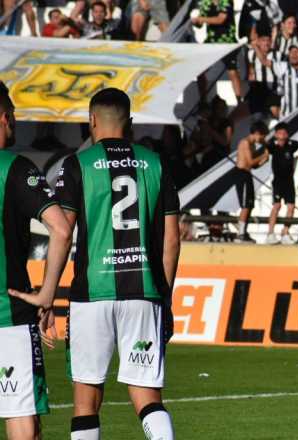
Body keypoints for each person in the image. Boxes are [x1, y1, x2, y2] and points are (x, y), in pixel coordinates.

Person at [53, 88, 180, 440]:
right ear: (131, 124)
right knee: (147, 396)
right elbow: (172, 239)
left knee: (86, 399)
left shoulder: (77, 164)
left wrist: (48, 294)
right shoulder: (154, 162)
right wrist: (164, 298)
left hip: (91, 295)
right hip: (144, 292)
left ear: (92, 121)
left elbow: (63, 232)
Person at [0, 82, 73, 440]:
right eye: (12, 115)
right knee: (21, 418)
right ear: (2, 117)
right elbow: (60, 229)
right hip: (7, 314)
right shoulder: (15, 168)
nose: (14, 123)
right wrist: (47, 294)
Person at [194, 0, 242, 102]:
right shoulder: (205, 3)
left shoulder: (226, 2)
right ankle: (203, 100)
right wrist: (196, 22)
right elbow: (200, 25)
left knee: (232, 72)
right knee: (200, 71)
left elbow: (221, 19)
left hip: (227, 42)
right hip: (211, 41)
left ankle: (239, 100)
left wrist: (201, 19)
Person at [265, 123, 298, 244]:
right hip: (278, 181)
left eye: (285, 133)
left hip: (289, 181)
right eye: (280, 133)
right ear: (276, 134)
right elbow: (263, 146)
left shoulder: (291, 145)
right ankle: (270, 233)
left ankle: (285, 232)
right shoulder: (272, 146)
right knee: (277, 206)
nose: (283, 135)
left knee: (291, 206)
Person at [234, 122, 270, 242]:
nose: (263, 139)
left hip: (247, 174)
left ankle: (244, 231)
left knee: (249, 204)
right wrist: (263, 155)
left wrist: (264, 160)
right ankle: (240, 233)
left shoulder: (252, 145)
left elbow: (253, 166)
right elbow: (249, 162)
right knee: (245, 205)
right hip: (241, 174)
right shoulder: (245, 143)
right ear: (257, 133)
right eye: (263, 136)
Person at [246, 31, 282, 118]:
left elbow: (264, 61)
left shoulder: (277, 54)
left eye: (268, 40)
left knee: (275, 109)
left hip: (272, 89)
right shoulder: (251, 54)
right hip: (258, 88)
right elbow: (251, 69)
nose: (266, 43)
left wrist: (255, 46)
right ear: (258, 41)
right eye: (263, 40)